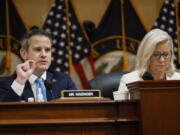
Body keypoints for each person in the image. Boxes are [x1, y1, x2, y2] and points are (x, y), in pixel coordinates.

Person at [0, 29, 77, 102]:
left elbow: (78, 108)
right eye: (38, 49)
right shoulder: (7, 84)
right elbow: (4, 113)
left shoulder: (64, 80)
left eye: (47, 50)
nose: (44, 55)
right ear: (24, 54)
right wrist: (20, 82)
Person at [113, 28, 180, 99]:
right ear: (146, 56)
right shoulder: (128, 81)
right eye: (156, 54)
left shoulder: (178, 79)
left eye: (166, 54)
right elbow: (123, 109)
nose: (162, 60)